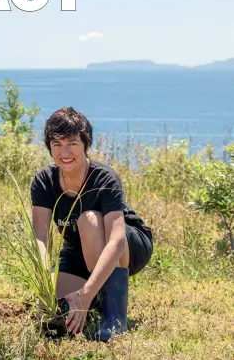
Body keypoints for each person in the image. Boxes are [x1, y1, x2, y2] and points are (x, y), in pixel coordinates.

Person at [31, 107, 153, 340]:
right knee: (53, 316)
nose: (65, 152)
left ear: (85, 145)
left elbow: (117, 241)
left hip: (127, 245)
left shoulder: (104, 177)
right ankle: (96, 302)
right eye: (57, 144)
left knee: (88, 220)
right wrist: (44, 283)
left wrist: (85, 294)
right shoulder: (43, 181)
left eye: (72, 144)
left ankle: (114, 318)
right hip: (78, 246)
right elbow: (40, 237)